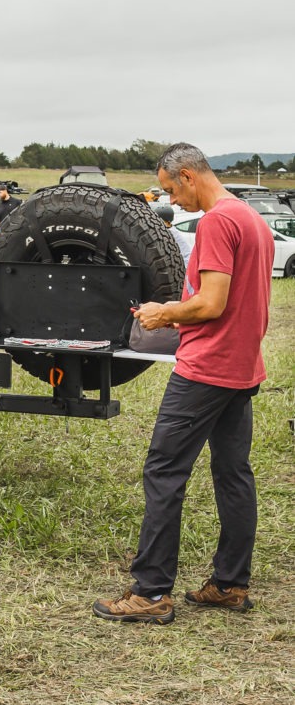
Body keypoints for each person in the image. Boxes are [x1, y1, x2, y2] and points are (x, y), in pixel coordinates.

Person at [93, 143, 274, 624]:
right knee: (233, 474)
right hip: (241, 366)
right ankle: (230, 584)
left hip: (206, 369)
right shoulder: (251, 218)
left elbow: (211, 303)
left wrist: (163, 312)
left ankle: (151, 591)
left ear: (190, 176)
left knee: (164, 472)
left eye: (173, 189)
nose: (174, 201)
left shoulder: (216, 221)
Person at [153, 202, 194, 268]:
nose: (156, 222)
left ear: (168, 222)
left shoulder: (174, 234)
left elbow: (187, 255)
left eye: (159, 220)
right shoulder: (163, 231)